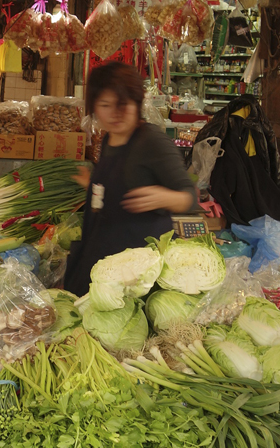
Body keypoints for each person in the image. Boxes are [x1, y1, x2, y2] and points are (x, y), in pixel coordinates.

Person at [63, 63, 196, 296]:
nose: (114, 114)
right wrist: (92, 184)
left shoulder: (152, 141)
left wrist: (164, 197)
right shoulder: (107, 140)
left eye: (123, 105)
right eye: (105, 105)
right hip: (103, 260)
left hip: (139, 274)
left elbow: (190, 198)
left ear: (137, 103)